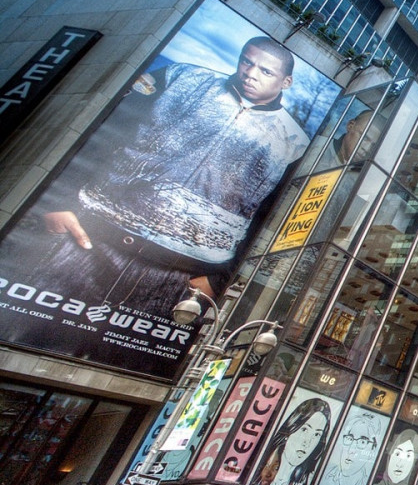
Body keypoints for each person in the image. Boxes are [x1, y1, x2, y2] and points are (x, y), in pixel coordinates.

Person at [8, 37, 312, 324]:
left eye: (265, 71)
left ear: (285, 82)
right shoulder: (182, 78)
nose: (250, 74)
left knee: (128, 370)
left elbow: (273, 219)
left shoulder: (294, 142)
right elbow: (104, 132)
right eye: (247, 62)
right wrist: (59, 200)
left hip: (182, 279)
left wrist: (221, 279)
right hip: (91, 240)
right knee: (20, 329)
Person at [253, 397, 332, 485]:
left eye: (316, 434)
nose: (307, 442)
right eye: (304, 430)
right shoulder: (260, 464)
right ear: (290, 429)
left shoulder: (309, 483)